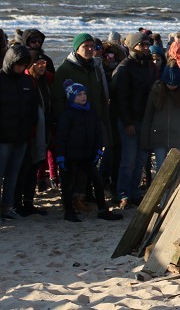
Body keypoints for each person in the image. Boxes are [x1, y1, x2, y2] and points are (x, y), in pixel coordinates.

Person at [54, 80, 122, 222]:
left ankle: (103, 210)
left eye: (84, 93)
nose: (83, 96)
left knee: (97, 181)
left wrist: (98, 150)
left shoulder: (90, 112)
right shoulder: (67, 115)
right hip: (70, 156)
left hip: (87, 154)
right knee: (69, 184)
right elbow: (60, 137)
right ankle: (69, 211)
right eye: (79, 94)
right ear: (72, 97)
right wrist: (60, 156)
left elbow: (98, 132)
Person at [111, 32, 157, 208]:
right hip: (130, 120)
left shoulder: (151, 67)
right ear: (132, 47)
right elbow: (120, 99)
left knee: (141, 160)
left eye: (147, 45)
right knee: (128, 160)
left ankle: (135, 192)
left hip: (146, 120)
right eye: (142, 45)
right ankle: (123, 194)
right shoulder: (124, 68)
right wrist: (127, 122)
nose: (146, 48)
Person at [0, 45, 38, 220]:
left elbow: (32, 108)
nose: (21, 68)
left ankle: (8, 207)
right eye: (18, 64)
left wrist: (30, 131)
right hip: (3, 138)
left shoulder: (27, 81)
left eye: (24, 65)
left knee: (13, 174)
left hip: (21, 137)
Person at [14, 50, 52, 215]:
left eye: (44, 63)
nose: (43, 66)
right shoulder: (25, 81)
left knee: (34, 167)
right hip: (27, 132)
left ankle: (28, 202)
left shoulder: (45, 80)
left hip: (43, 130)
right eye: (39, 63)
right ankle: (17, 203)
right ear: (30, 65)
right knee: (23, 169)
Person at [141, 61, 180, 173]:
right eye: (170, 83)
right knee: (161, 169)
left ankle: (172, 191)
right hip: (159, 137)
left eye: (175, 84)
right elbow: (148, 117)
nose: (172, 86)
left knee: (175, 170)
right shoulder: (155, 94)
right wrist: (145, 140)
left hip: (177, 138)